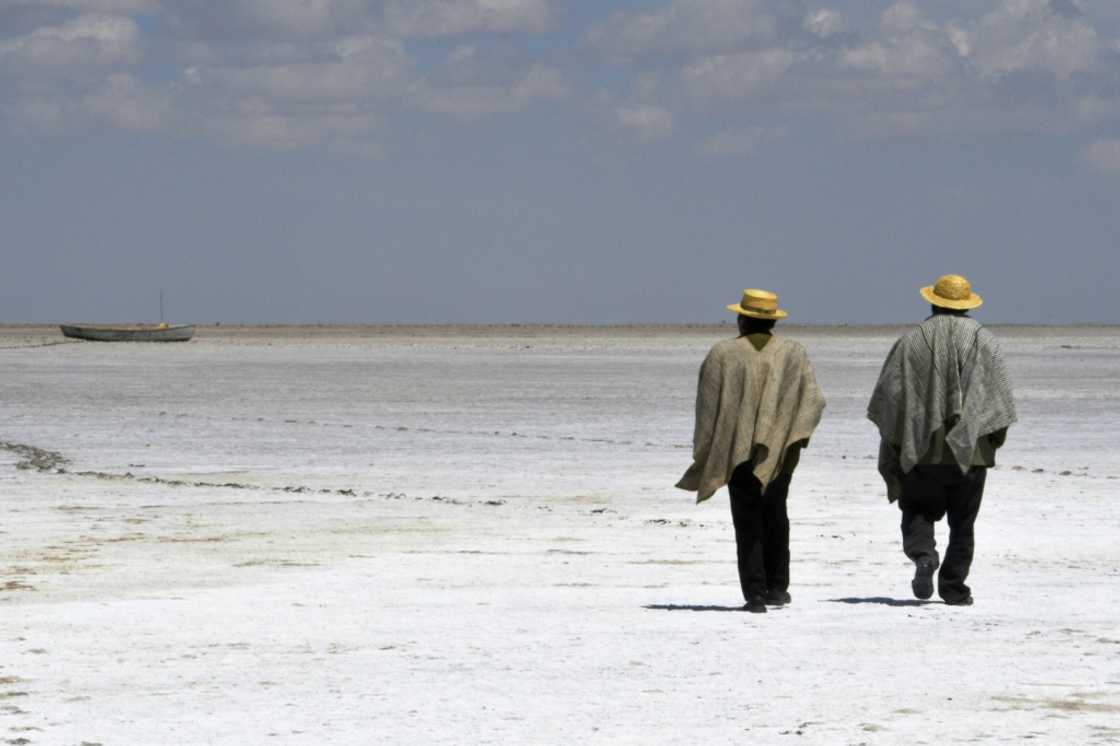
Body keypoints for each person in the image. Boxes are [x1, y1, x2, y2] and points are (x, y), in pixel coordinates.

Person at [868, 274, 1017, 606]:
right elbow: (998, 400)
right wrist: (992, 441)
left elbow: (890, 395)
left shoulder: (912, 341)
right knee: (963, 523)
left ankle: (923, 556)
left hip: (921, 447)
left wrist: (897, 441)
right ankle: (954, 588)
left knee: (918, 510)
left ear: (933, 302)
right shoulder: (985, 341)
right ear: (966, 305)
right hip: (972, 450)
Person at [677, 289, 825, 613]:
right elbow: (813, 401)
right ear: (772, 320)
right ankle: (777, 588)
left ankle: (755, 594)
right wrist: (792, 439)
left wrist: (708, 451)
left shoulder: (723, 354)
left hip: (737, 453)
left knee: (747, 522)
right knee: (776, 517)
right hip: (780, 456)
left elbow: (707, 408)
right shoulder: (793, 353)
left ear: (743, 318)